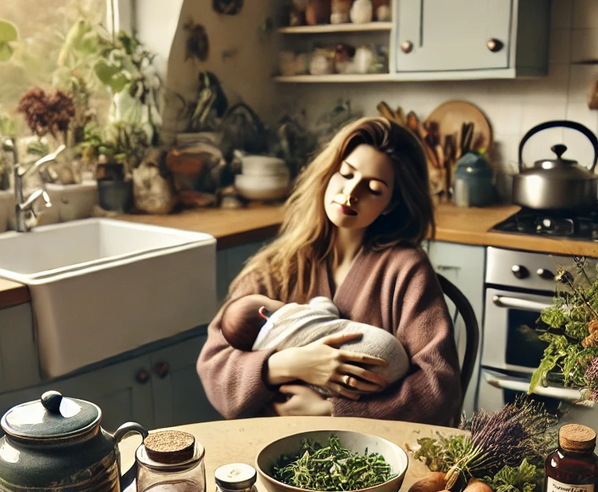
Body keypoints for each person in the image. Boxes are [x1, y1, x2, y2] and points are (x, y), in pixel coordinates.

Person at [196, 117, 462, 425]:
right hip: (276, 446)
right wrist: (288, 364)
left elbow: (440, 386)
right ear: (328, 173)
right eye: (346, 174)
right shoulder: (275, 268)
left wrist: (334, 411)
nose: (351, 193)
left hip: (370, 455)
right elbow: (215, 366)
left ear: (390, 204)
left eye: (374, 188)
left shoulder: (405, 270)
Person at [218, 293, 411, 395]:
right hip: (385, 351)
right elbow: (220, 374)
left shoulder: (265, 347)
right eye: (272, 299)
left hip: (347, 398)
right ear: (264, 311)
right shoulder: (290, 315)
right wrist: (283, 365)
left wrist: (328, 409)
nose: (282, 301)